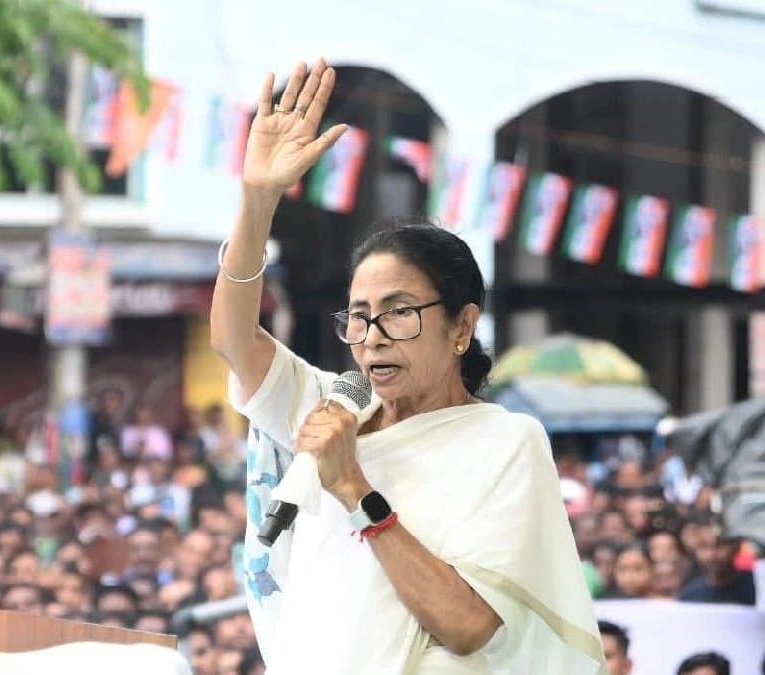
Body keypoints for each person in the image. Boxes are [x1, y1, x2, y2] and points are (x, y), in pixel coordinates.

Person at [211, 58, 603, 673]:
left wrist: (354, 490)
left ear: (462, 327)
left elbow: (469, 625)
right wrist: (258, 200)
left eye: (399, 312)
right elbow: (235, 339)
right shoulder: (332, 409)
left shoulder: (505, 441)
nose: (372, 337)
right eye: (359, 316)